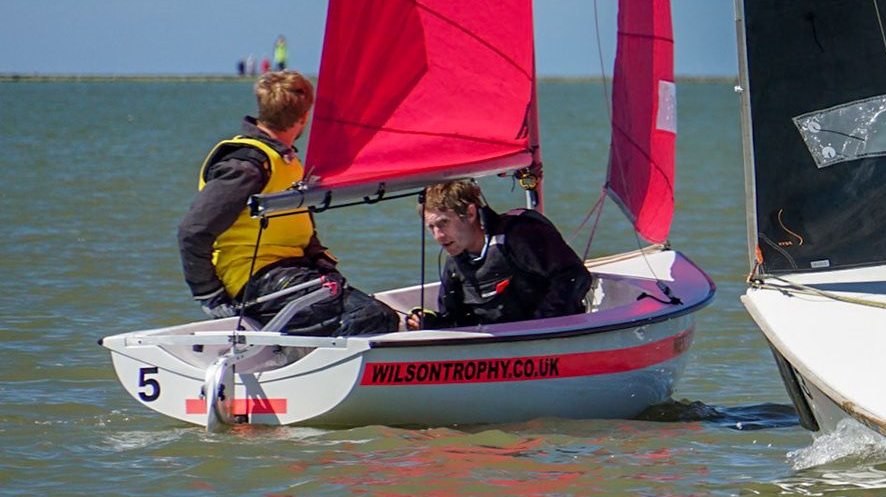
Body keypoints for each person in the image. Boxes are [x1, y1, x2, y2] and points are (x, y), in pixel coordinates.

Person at [176, 70, 401, 336]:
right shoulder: (246, 166)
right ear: (304, 117)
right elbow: (192, 231)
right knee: (374, 317)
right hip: (254, 280)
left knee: (377, 314)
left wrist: (320, 260)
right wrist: (209, 295)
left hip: (290, 272)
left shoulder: (284, 159)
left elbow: (298, 224)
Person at [405, 181, 592, 329]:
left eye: (444, 223)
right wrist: (430, 323)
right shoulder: (455, 263)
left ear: (470, 213)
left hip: (549, 340)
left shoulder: (519, 236)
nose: (438, 236)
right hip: (503, 349)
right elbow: (458, 322)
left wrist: (541, 326)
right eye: (431, 227)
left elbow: (574, 276)